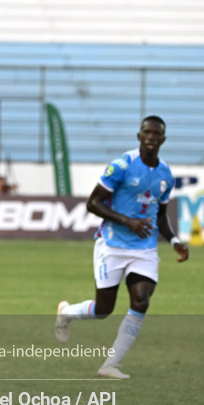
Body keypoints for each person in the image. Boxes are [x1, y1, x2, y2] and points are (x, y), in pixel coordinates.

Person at [54, 115, 189, 378]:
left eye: (156, 134)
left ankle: (110, 365)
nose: (151, 137)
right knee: (103, 310)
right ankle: (66, 312)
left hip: (144, 249)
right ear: (139, 136)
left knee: (141, 301)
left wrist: (174, 241)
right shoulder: (121, 166)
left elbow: (161, 215)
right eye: (147, 132)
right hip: (112, 245)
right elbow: (93, 203)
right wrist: (128, 221)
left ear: (162, 139)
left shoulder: (165, 175)